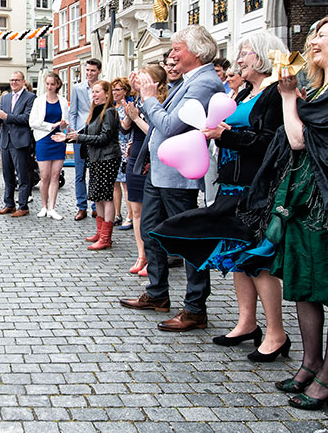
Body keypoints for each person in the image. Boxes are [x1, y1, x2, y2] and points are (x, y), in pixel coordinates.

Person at [240, 13, 328, 410]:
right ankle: (309, 366)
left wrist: (289, 99)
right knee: (304, 288)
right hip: (305, 204)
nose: (314, 41)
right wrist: (296, 98)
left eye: (324, 35)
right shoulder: (324, 90)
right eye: (314, 34)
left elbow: (299, 138)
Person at [150, 31, 288, 360]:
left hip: (255, 188)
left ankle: (276, 333)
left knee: (258, 260)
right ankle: (246, 323)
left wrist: (227, 135)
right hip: (231, 184)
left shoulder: (274, 95)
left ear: (264, 56)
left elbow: (270, 142)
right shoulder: (245, 93)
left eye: (246, 53)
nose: (240, 60)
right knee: (239, 257)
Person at [120, 25, 227, 332]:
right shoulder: (189, 80)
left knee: (189, 240)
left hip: (180, 176)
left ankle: (195, 308)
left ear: (196, 51)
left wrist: (150, 96)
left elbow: (168, 126)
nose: (172, 55)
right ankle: (157, 294)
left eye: (177, 49)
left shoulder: (205, 83)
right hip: (160, 172)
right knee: (152, 233)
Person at [119, 64, 168, 276]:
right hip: (135, 155)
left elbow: (156, 132)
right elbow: (125, 128)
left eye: (143, 77)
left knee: (152, 212)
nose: (138, 80)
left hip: (152, 157)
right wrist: (129, 115)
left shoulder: (159, 102)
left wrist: (137, 117)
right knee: (136, 210)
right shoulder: (137, 99)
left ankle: (154, 256)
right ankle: (141, 254)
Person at [61, 80, 121, 250]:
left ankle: (106, 237)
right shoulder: (96, 111)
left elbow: (104, 138)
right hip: (96, 157)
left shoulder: (109, 112)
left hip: (107, 158)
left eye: (97, 92)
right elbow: (85, 132)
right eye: (93, 92)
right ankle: (100, 231)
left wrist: (79, 138)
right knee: (97, 196)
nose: (94, 95)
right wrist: (68, 136)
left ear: (107, 94)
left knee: (106, 197)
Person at [0, 71, 35, 217]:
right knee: (7, 175)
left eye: (16, 80)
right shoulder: (6, 98)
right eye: (11, 80)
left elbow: (26, 118)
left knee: (22, 175)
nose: (14, 83)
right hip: (6, 139)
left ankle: (23, 206)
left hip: (20, 140)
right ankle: (9, 204)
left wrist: (6, 116)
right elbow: (2, 120)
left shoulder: (30, 97)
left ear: (23, 81)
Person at [30, 72, 68, 219]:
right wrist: (51, 126)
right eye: (47, 84)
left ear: (57, 84)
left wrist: (63, 125)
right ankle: (44, 206)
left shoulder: (63, 101)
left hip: (58, 140)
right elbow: (32, 122)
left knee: (55, 175)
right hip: (43, 139)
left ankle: (52, 207)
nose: (50, 87)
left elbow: (65, 123)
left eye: (52, 84)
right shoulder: (39, 101)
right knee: (44, 176)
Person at [68, 58, 102, 220]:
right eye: (87, 70)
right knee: (79, 173)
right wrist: (74, 131)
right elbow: (72, 112)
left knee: (96, 171)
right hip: (80, 135)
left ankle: (96, 205)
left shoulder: (103, 88)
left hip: (97, 135)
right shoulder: (77, 88)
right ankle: (81, 206)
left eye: (92, 71)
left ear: (99, 72)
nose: (89, 73)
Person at [111, 78, 134, 228]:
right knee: (115, 183)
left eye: (118, 90)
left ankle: (130, 215)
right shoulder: (111, 107)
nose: (114, 93)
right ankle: (116, 213)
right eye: (113, 90)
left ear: (125, 91)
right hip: (113, 147)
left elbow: (127, 126)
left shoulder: (129, 106)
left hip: (125, 146)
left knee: (126, 184)